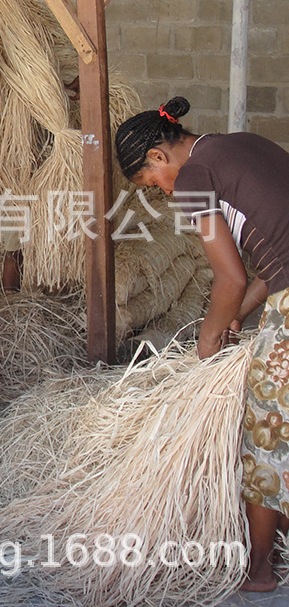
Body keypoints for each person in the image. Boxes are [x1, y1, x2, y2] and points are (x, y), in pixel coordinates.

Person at [115, 96, 289, 592]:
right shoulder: (243, 145)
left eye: (153, 184)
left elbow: (229, 276)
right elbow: (274, 261)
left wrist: (208, 343)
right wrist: (237, 316)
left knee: (266, 433)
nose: (165, 194)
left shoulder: (193, 177)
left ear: (158, 158)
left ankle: (259, 568)